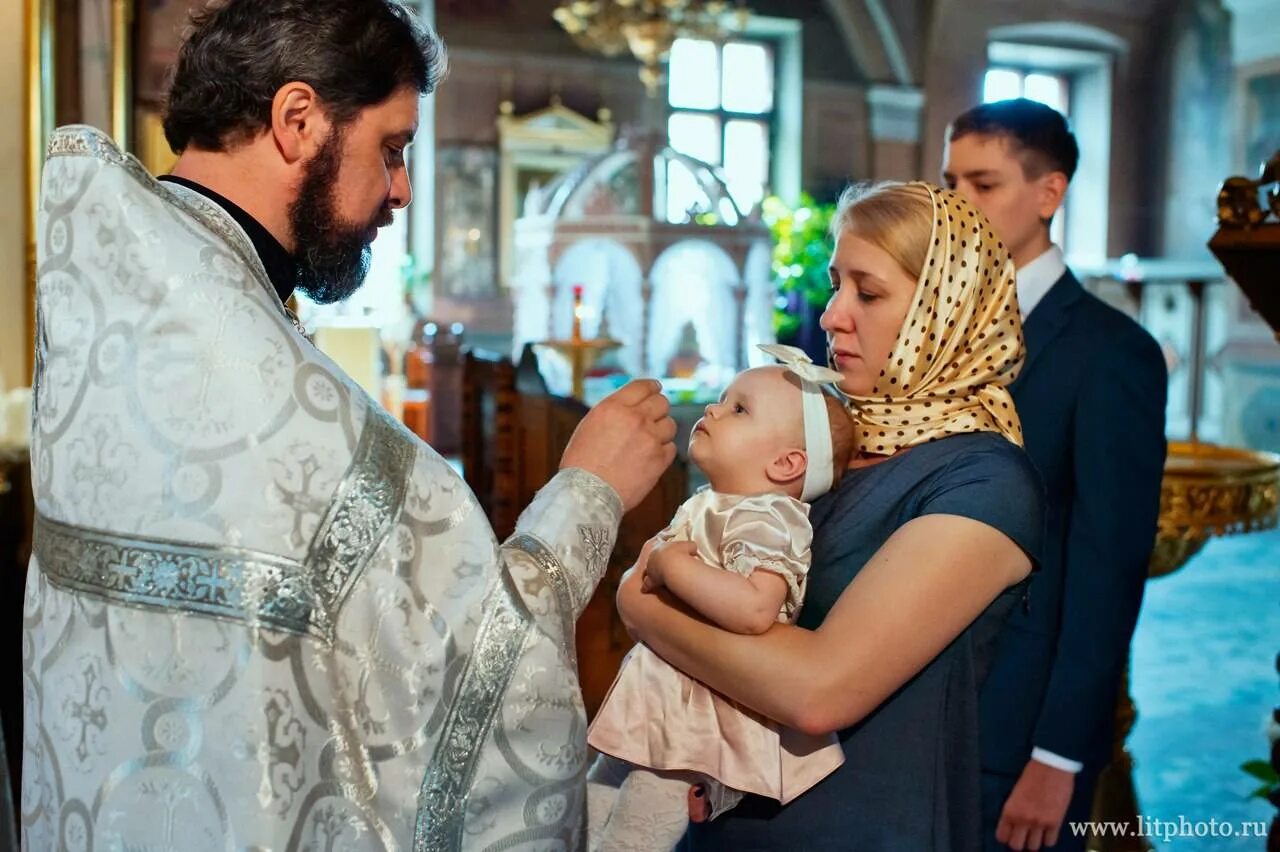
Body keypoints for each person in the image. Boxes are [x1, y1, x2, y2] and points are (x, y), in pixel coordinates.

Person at [21, 2, 677, 850]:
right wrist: (588, 491)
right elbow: (474, 681)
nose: (402, 189)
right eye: (393, 148)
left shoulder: (130, 307)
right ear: (297, 119)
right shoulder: (253, 379)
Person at [618, 181, 1045, 851]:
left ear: (945, 310)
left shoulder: (984, 479)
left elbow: (819, 691)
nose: (832, 315)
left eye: (867, 294)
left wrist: (644, 604)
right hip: (728, 821)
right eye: (836, 284)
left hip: (863, 827)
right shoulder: (829, 438)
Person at [942, 99, 1167, 852]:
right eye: (951, 184)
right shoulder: (937, 333)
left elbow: (1109, 566)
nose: (959, 206)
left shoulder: (1112, 353)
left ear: (1049, 193)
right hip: (918, 694)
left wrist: (1058, 754)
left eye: (983, 184)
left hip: (1019, 721)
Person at [586, 348, 855, 851]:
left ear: (786, 463)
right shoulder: (712, 504)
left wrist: (673, 566)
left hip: (700, 716)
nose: (712, 409)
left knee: (633, 831)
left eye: (739, 409)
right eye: (724, 399)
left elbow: (756, 609)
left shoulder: (771, 517)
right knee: (590, 801)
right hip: (664, 696)